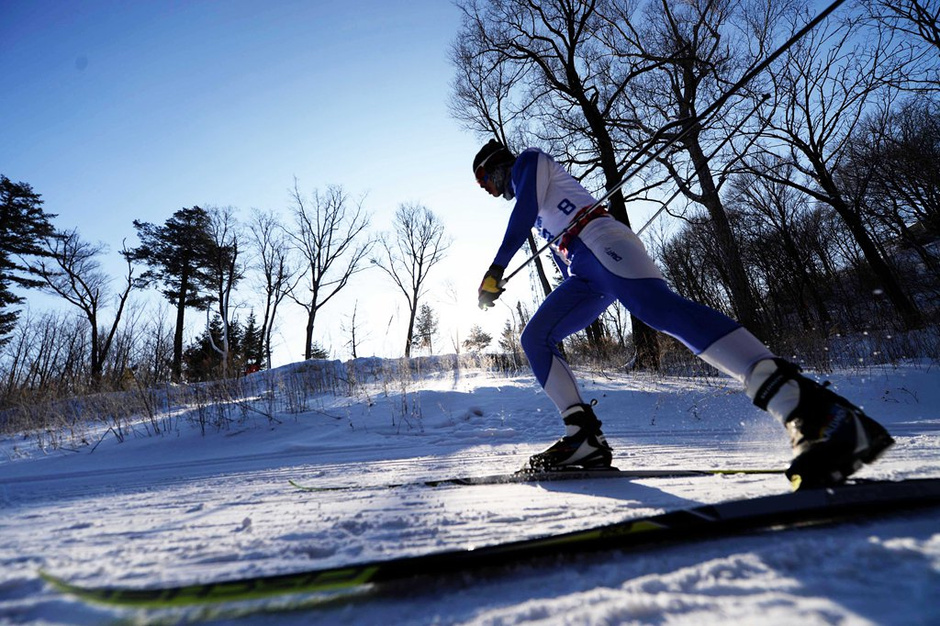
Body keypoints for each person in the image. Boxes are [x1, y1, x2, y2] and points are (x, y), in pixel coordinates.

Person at [472, 139, 894, 489]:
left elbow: (522, 212)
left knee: (660, 311)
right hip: (584, 268)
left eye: (486, 180)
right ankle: (583, 439)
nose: (490, 191)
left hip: (598, 238)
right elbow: (537, 219)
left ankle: (812, 411)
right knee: (536, 337)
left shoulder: (528, 162)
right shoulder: (541, 200)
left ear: (499, 166)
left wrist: (495, 269)